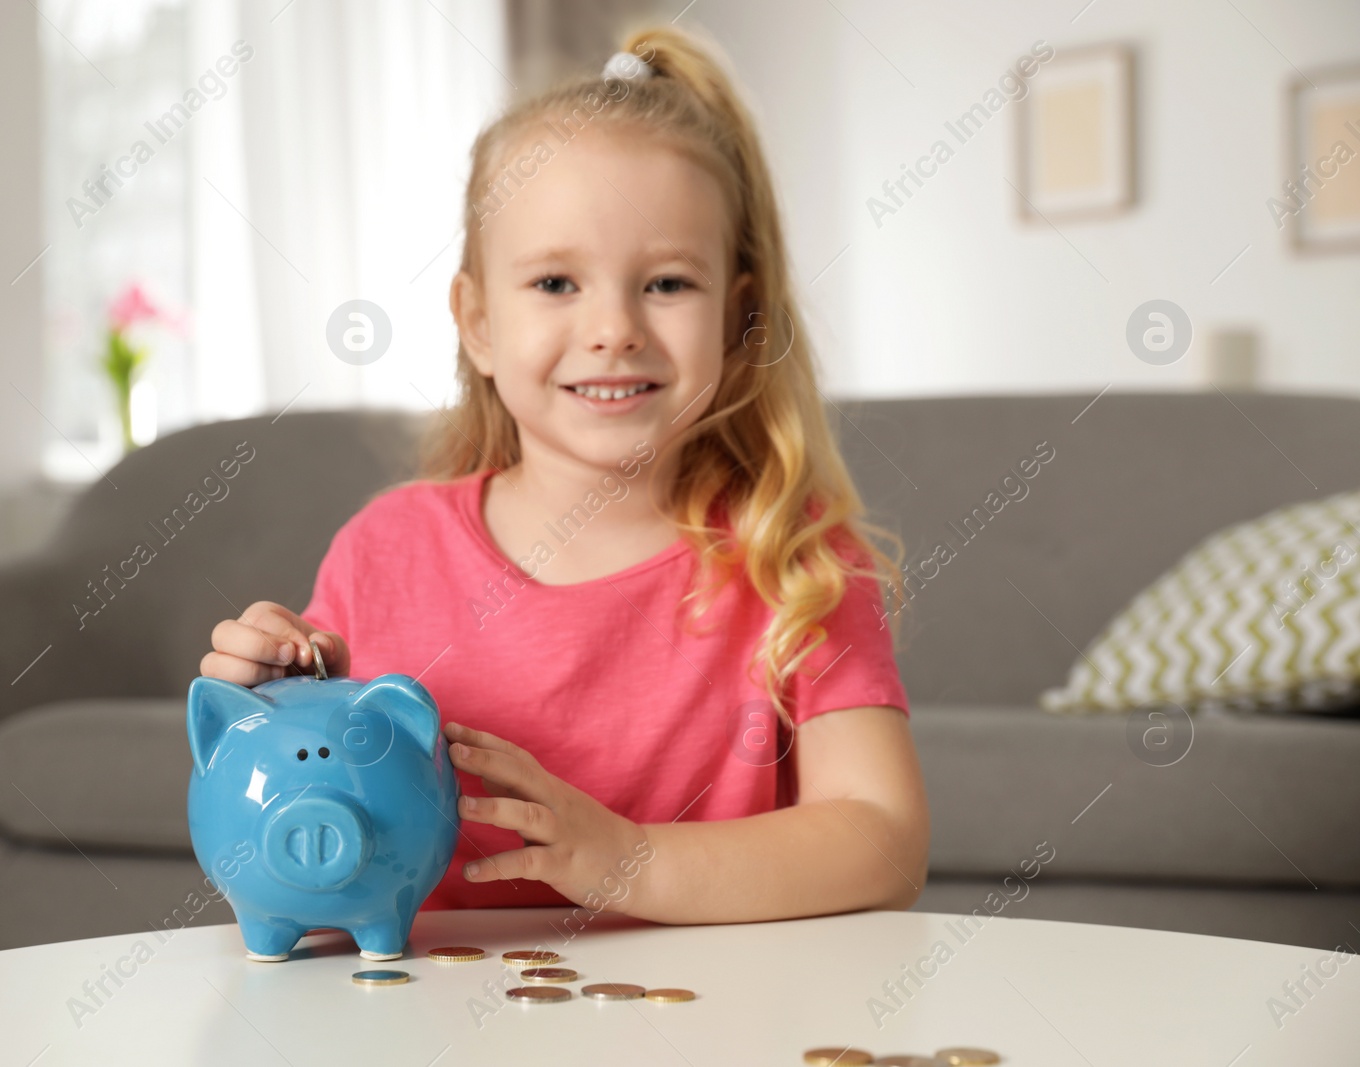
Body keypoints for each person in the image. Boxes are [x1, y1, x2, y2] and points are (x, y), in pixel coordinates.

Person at [200, 23, 929, 924]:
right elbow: (288, 837)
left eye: (667, 283)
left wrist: (631, 860)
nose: (614, 326)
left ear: (740, 317)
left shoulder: (801, 561)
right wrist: (274, 704)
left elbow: (882, 837)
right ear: (476, 321)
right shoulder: (383, 553)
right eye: (554, 284)